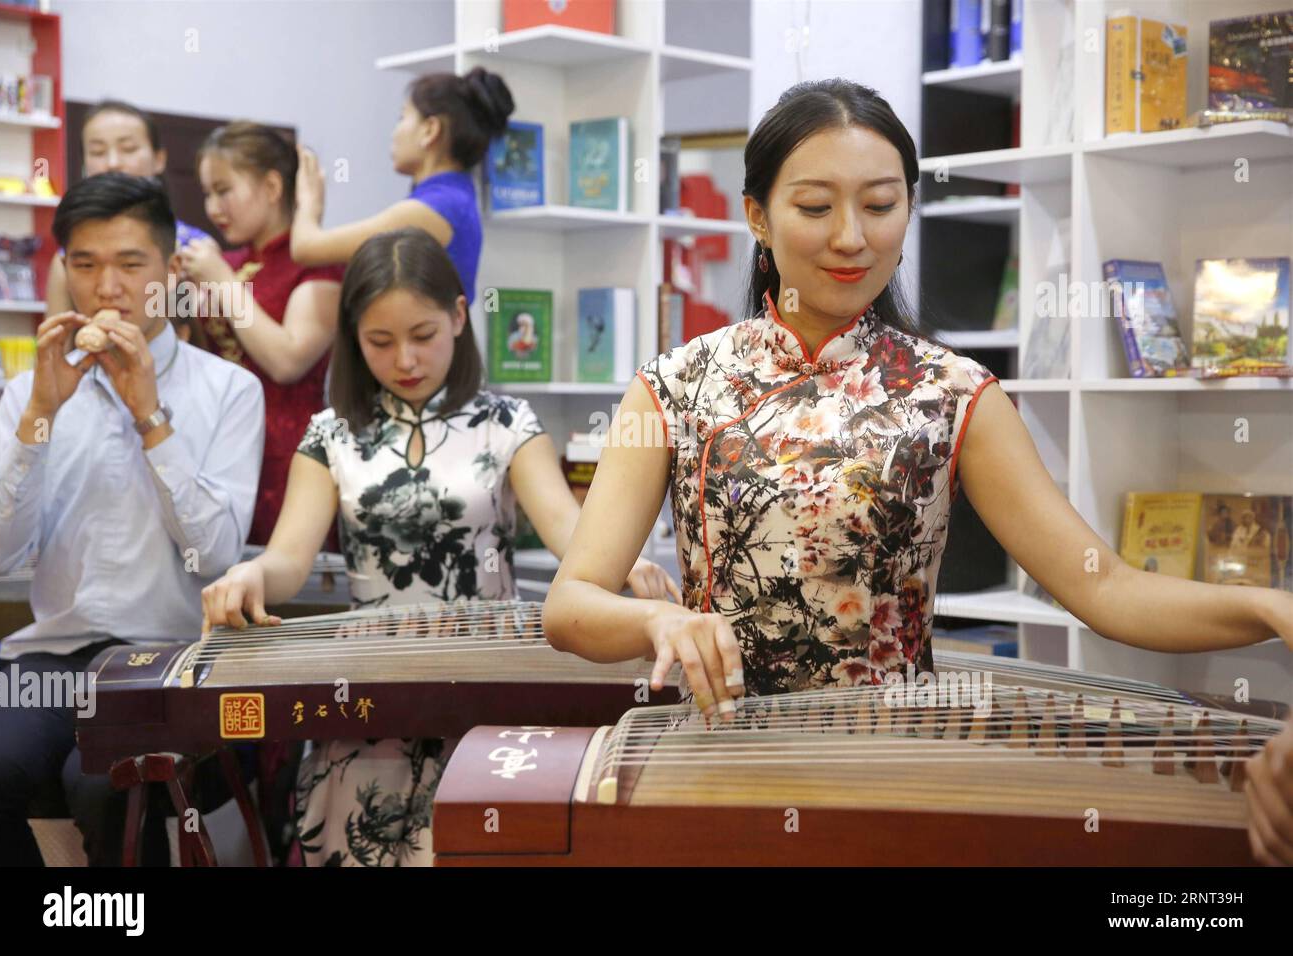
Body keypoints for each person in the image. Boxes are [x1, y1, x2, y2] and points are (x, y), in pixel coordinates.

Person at [541, 79, 1293, 864]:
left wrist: (1269, 607)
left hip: (898, 777)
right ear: (757, 214)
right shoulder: (674, 386)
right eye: (814, 207)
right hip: (722, 776)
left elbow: (1103, 586)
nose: (851, 237)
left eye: (879, 204)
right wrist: (659, 621)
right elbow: (572, 605)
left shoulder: (953, 393)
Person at [199, 228, 679, 866]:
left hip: (493, 686)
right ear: (352, 336)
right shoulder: (332, 433)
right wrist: (253, 574)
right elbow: (290, 558)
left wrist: (621, 563)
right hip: (372, 691)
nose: (404, 360)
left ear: (458, 317)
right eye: (379, 341)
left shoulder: (508, 423)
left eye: (423, 336)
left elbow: (571, 529)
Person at [0, 173, 264, 865]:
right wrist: (38, 421)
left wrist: (151, 417)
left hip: (170, 659)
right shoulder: (30, 390)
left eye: (130, 264)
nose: (106, 286)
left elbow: (217, 552)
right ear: (64, 270)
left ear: (171, 270)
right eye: (84, 264)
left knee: (103, 788)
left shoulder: (230, 388)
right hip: (51, 657)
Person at [179, 122, 343, 547]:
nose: (213, 207)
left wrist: (222, 281)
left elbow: (288, 361)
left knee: (279, 590)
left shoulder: (316, 263)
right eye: (206, 193)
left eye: (223, 189)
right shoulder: (223, 261)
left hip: (286, 453)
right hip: (217, 441)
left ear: (272, 186)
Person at [289, 66, 513, 307]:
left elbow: (305, 249)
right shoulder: (453, 197)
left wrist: (309, 200)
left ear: (430, 130)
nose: (395, 132)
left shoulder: (436, 207)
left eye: (402, 117)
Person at [45, 100, 210, 325]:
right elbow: (58, 341)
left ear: (159, 159)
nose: (113, 163)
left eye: (128, 149)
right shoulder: (67, 257)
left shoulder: (199, 250)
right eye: (97, 151)